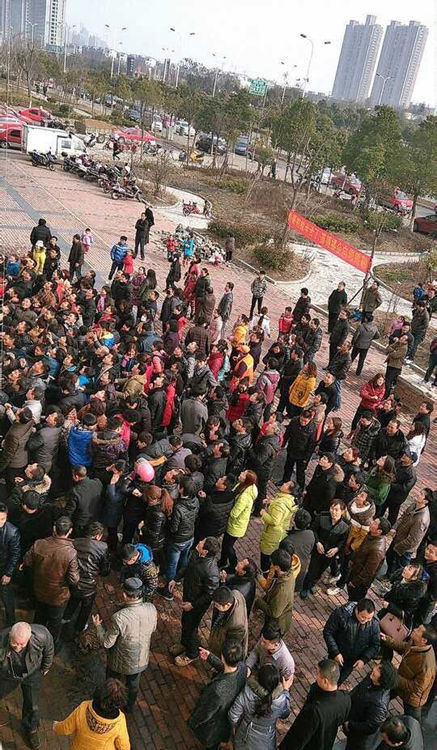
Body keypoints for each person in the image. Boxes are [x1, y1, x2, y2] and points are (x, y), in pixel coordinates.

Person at [92, 577, 157, 712]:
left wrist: (98, 626)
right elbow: (153, 628)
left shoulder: (119, 617)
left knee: (112, 684)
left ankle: (108, 704)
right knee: (133, 684)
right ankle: (129, 707)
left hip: (119, 661)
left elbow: (107, 643)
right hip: (140, 658)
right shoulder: (151, 608)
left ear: (124, 594)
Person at [23, 516, 80, 650]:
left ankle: (34, 642)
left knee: (39, 617)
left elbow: (27, 561)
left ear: (54, 528)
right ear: (70, 531)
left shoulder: (39, 544)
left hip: (40, 590)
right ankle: (51, 647)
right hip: (58, 596)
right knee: (55, 623)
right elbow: (74, 579)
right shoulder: (70, 552)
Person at [0, 621, 54, 750]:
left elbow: (49, 647)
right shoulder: (1, 641)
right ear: (10, 635)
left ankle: (31, 729)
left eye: (22, 644)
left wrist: (46, 666)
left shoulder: (41, 634)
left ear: (29, 638)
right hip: (8, 676)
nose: (18, 647)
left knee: (32, 704)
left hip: (32, 673)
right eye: (14, 643)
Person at [278, 658, 351, 750]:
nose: (316, 676)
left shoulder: (314, 711)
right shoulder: (345, 698)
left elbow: (298, 738)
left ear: (325, 681)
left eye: (318, 673)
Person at [188, 639, 247, 749]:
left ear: (222, 656)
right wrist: (210, 657)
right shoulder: (243, 668)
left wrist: (193, 722)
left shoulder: (218, 690)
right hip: (226, 723)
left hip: (214, 728)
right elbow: (228, 668)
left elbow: (206, 712)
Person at [53, 678, 130, 750]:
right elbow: (124, 746)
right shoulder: (119, 721)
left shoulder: (84, 707)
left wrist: (56, 726)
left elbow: (66, 728)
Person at [381, 623, 436, 721]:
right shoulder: (414, 641)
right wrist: (387, 640)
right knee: (383, 695)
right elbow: (405, 647)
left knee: (413, 721)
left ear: (424, 640)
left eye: (418, 630)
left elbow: (416, 688)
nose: (414, 629)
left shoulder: (426, 666)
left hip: (412, 698)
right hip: (400, 680)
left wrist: (395, 677)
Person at [228, 663, 291, 750]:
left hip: (244, 736)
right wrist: (286, 691)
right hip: (267, 740)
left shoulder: (247, 691)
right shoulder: (280, 699)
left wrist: (235, 729)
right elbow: (285, 714)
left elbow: (233, 715)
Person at [63, 521, 110, 636]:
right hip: (89, 585)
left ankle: (65, 618)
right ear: (98, 536)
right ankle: (79, 627)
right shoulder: (102, 547)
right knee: (86, 607)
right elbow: (105, 569)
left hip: (74, 581)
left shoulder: (75, 542)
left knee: (73, 600)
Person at [323, 599, 380, 685]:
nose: (365, 620)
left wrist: (363, 659)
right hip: (337, 656)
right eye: (363, 617)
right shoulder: (342, 614)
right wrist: (335, 652)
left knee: (338, 682)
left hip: (352, 662)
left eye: (369, 618)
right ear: (357, 610)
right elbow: (328, 632)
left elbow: (375, 645)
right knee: (327, 679)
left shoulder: (374, 623)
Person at [343, 661, 398, 750]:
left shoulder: (379, 705)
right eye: (377, 667)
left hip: (359, 738)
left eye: (378, 670)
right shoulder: (372, 677)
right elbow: (358, 688)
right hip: (353, 717)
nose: (374, 669)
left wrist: (350, 725)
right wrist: (347, 699)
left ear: (383, 679)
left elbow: (370, 726)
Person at [300, 501, 349, 600]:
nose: (333, 512)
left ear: (342, 511)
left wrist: (336, 549)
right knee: (312, 569)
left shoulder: (345, 526)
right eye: (332, 508)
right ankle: (305, 586)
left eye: (336, 510)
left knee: (321, 570)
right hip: (318, 550)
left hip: (330, 554)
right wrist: (317, 542)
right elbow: (313, 530)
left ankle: (312, 584)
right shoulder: (322, 517)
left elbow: (343, 540)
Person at [386, 489, 430, 575]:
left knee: (400, 567)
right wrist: (394, 528)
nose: (418, 494)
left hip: (405, 548)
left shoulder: (421, 519)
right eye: (420, 492)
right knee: (389, 557)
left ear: (425, 501)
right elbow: (403, 516)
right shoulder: (414, 505)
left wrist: (398, 546)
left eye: (421, 494)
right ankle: (388, 575)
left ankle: (391, 578)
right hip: (398, 539)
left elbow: (412, 540)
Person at [346, 517, 392, 601]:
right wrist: (353, 559)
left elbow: (368, 571)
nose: (371, 523)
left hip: (361, 581)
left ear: (379, 531)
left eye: (375, 523)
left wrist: (355, 582)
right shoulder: (371, 535)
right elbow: (361, 548)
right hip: (356, 570)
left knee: (354, 599)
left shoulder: (377, 550)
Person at [220, 471, 258, 570]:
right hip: (235, 524)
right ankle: (223, 561)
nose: (241, 473)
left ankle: (233, 564)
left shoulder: (245, 496)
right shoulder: (243, 486)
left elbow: (234, 514)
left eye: (243, 474)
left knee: (228, 546)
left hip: (235, 526)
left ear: (246, 480)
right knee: (226, 544)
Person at [254, 548, 296, 636]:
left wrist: (258, 602)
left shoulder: (282, 590)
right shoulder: (288, 574)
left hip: (276, 626)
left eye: (272, 563)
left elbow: (274, 613)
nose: (271, 565)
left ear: (277, 567)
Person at [259, 482, 298, 573]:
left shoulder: (280, 504)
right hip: (280, 532)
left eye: (287, 484)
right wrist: (271, 503)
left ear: (289, 491)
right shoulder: (289, 499)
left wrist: (263, 513)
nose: (284, 483)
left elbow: (274, 521)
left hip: (272, 534)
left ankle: (265, 573)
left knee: (266, 555)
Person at [280, 508, 315, 592]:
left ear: (293, 521)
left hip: (289, 572)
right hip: (301, 569)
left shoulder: (287, 541)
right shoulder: (310, 534)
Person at [209, 586, 248, 658]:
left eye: (217, 605)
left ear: (227, 605)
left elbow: (230, 646)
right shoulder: (234, 593)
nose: (215, 606)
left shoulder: (236, 625)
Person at [0, 502, 20, 626]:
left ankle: (11, 622)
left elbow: (15, 554)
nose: (0, 522)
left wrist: (8, 573)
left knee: (6, 596)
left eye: (2, 519)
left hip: (3, 568)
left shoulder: (12, 531)